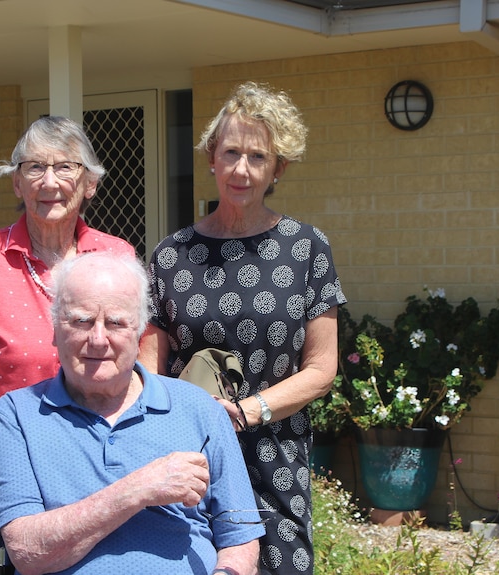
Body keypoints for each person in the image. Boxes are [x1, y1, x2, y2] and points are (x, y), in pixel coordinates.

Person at [139, 81, 346, 575]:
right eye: (231, 152)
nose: (241, 169)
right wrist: (187, 417)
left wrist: (245, 412)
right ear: (211, 157)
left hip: (275, 455)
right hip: (191, 456)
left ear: (279, 167)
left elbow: (321, 368)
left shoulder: (307, 248)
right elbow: (148, 363)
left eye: (258, 156)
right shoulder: (171, 256)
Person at [0, 116, 135, 575]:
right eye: (34, 167)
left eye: (66, 167)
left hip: (89, 475)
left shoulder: (115, 257)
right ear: (17, 183)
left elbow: (133, 360)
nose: (50, 182)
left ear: (90, 183)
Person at [0, 252, 264, 575]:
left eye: (115, 323)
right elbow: (26, 551)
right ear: (54, 329)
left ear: (140, 333)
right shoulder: (15, 416)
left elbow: (240, 537)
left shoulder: (201, 410)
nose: (98, 339)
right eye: (81, 321)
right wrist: (140, 488)